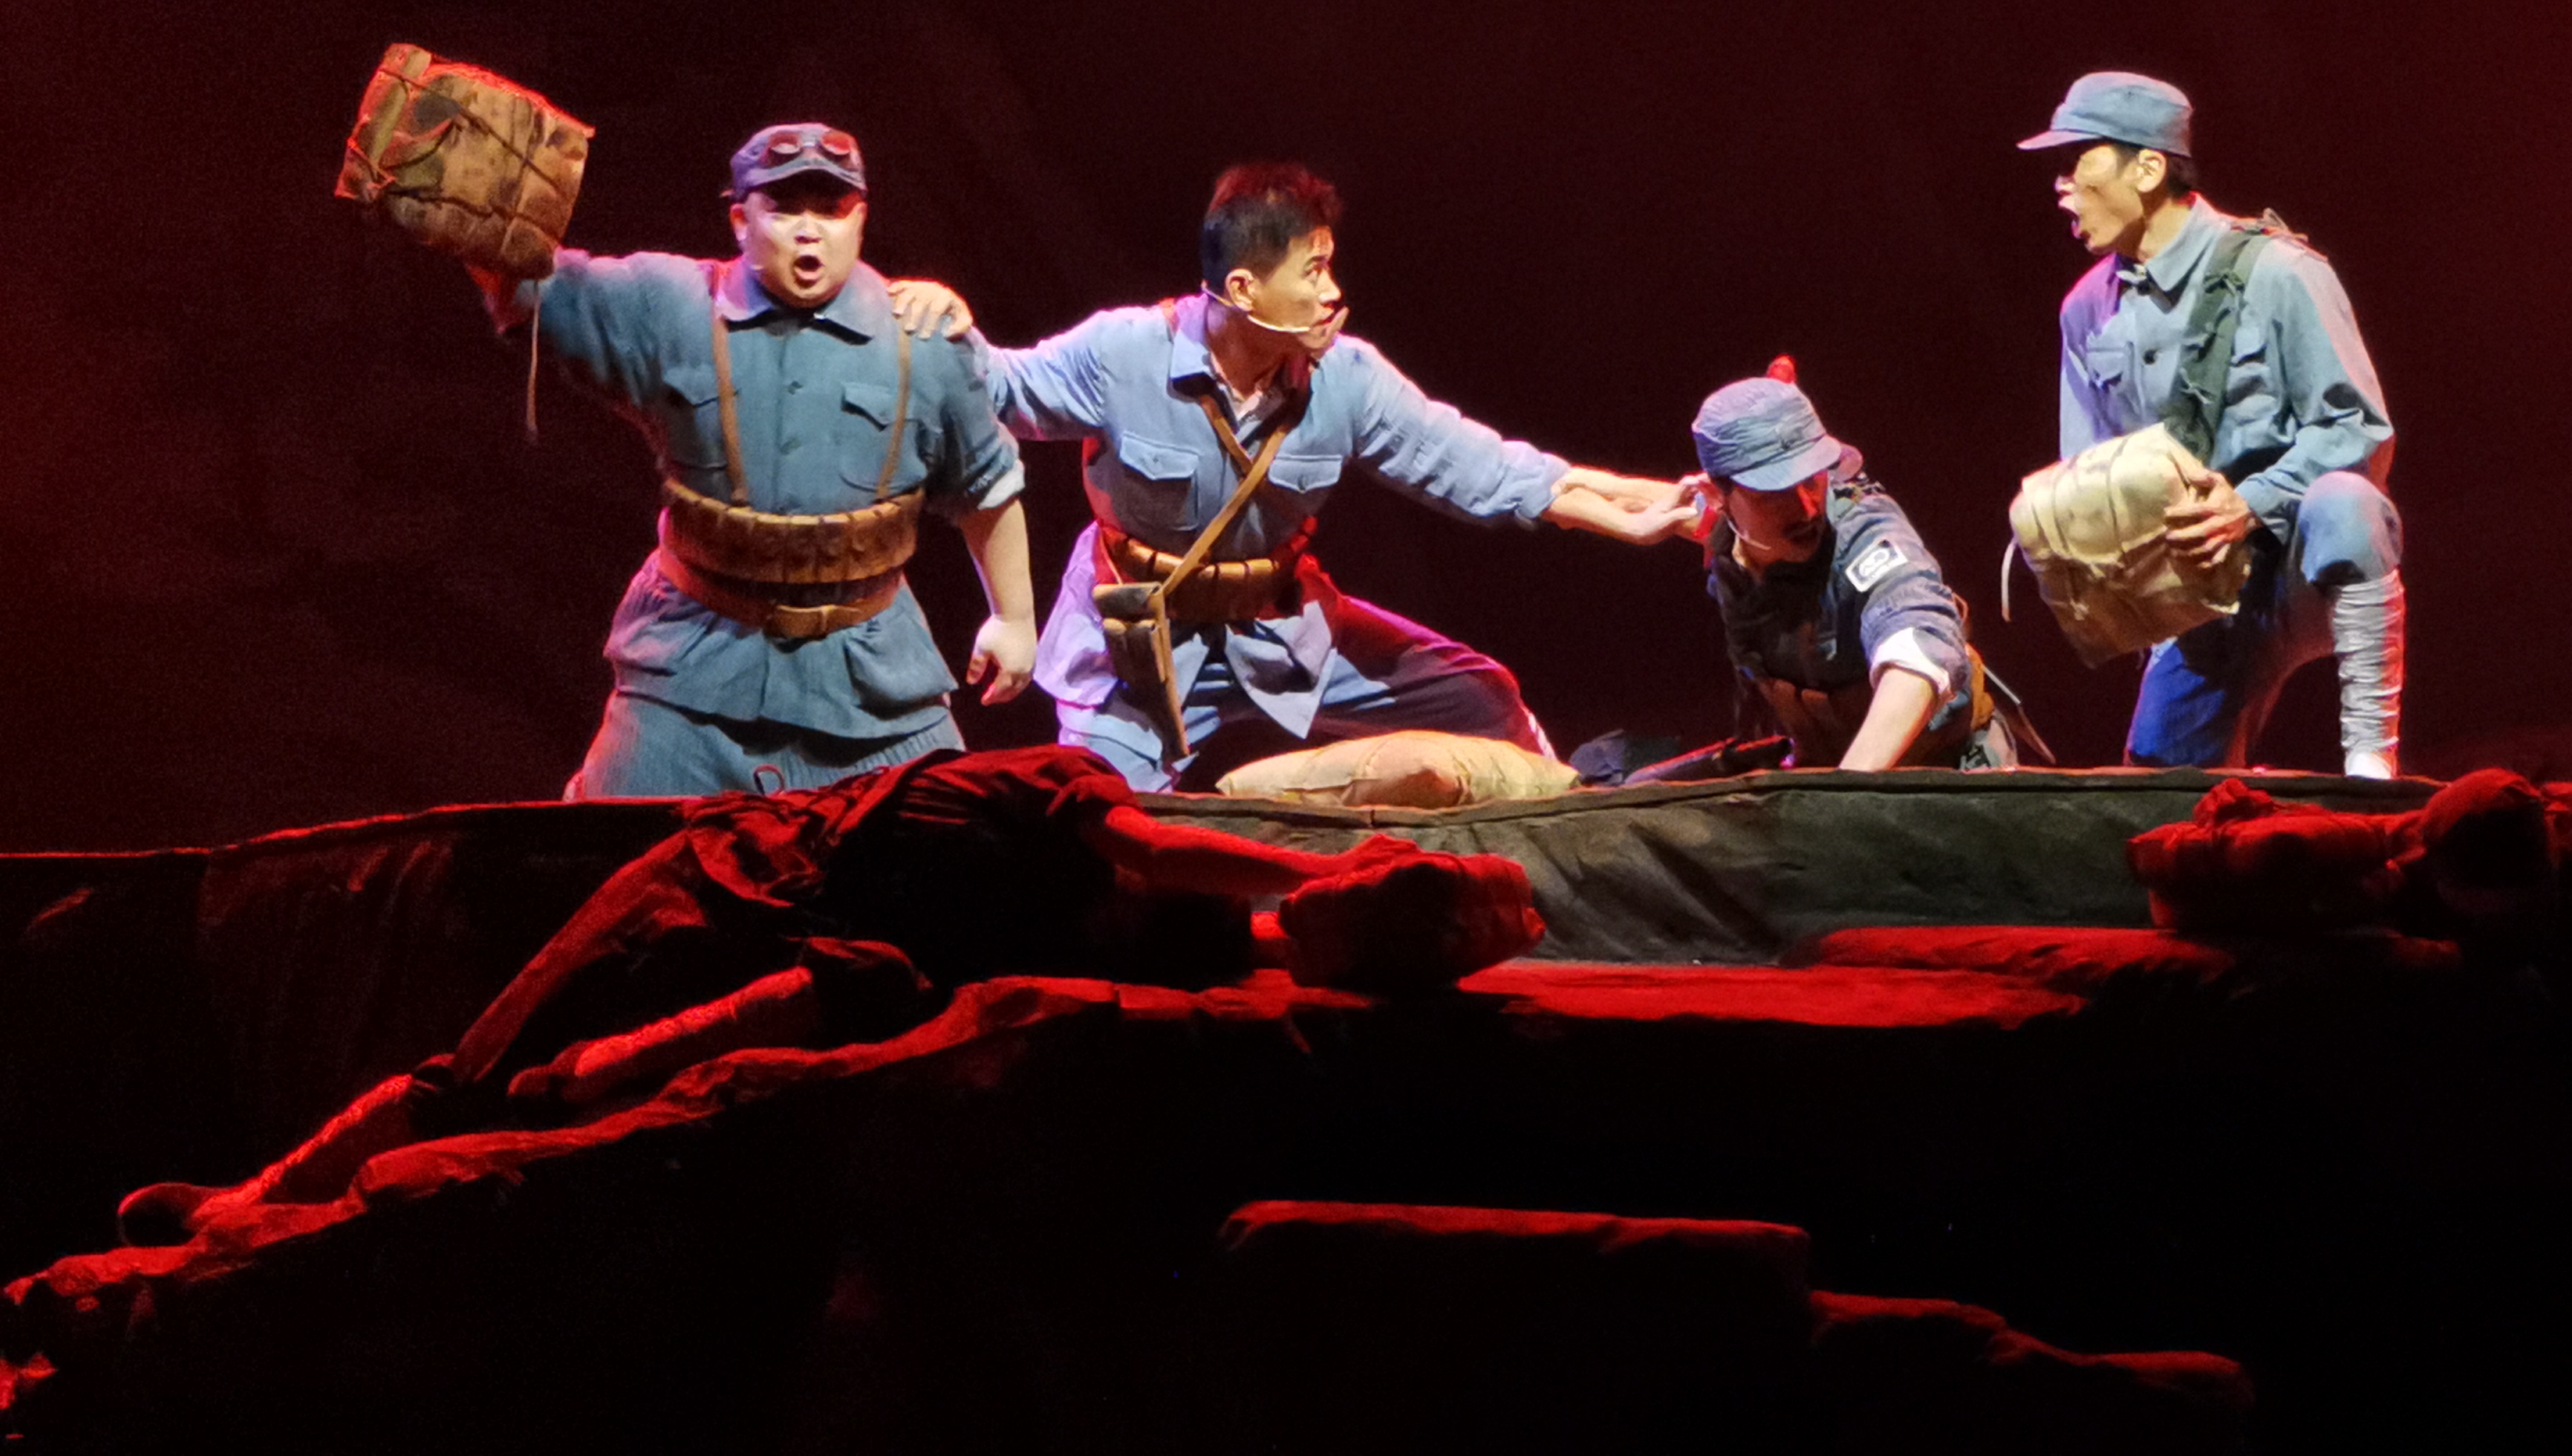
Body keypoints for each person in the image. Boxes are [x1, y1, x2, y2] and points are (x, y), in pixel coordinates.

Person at [116, 745, 1541, 1246]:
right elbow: (1165, 852)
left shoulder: (1163, 957)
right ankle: (257, 1204)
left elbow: (1288, 951)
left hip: (807, 971)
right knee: (484, 1070)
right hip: (725, 884)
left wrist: (1404, 930)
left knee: (580, 1098)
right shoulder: (1072, 795)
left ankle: (486, 1139)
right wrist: (1339, 865)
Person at [885, 163, 1691, 791]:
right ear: (1244, 288)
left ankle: (1552, 846)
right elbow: (1002, 389)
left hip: (1280, 628)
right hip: (1142, 648)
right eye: (1313, 271)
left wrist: (1642, 508)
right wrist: (948, 322)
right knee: (1101, 817)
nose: (1332, 292)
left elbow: (1488, 469)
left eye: (1329, 266)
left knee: (1482, 701)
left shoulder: (1346, 378)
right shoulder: (1124, 353)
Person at [458, 122, 1038, 798]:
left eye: (831, 209)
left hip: (871, 687)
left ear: (861, 218)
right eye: (784, 208)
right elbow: (537, 286)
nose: (809, 230)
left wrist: (1015, 618)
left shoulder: (926, 338)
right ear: (741, 220)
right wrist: (479, 221)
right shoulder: (672, 306)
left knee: (953, 838)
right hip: (690, 672)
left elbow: (984, 487)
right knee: (608, 842)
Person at [2021, 71, 2405, 777]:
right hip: (2198, 594)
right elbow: (2087, 471)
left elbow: (2356, 428)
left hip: (2296, 557)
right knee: (2155, 797)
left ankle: (2371, 761)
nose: (2061, 184)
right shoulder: (2085, 310)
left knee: (2346, 503)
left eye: (2078, 160)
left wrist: (2248, 504)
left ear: (2147, 169)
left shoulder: (2278, 271)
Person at [1685, 367, 2027, 773]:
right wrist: (1633, 524)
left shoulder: (1868, 537)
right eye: (1775, 492)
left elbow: (1918, 645)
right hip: (1825, 769)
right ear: (1717, 497)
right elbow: (1658, 501)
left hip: (1945, 774)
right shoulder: (1726, 529)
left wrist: (1841, 794)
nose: (1808, 508)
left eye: (1812, 478)